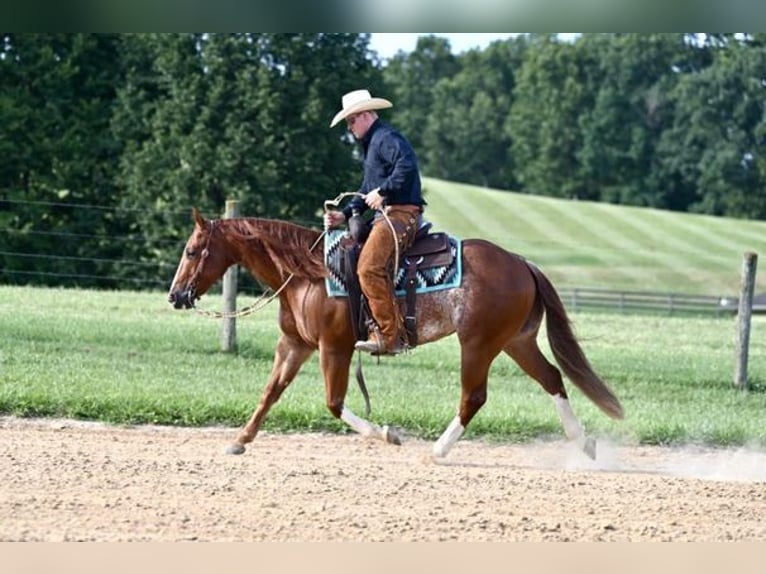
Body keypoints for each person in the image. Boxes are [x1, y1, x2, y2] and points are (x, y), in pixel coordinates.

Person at [325, 89, 425, 355]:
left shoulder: (386, 138)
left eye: (352, 120)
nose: (349, 126)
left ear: (367, 115)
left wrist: (383, 192)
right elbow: (366, 188)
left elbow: (407, 165)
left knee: (368, 269)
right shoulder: (372, 144)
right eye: (347, 122)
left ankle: (389, 336)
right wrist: (344, 215)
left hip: (401, 215)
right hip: (388, 215)